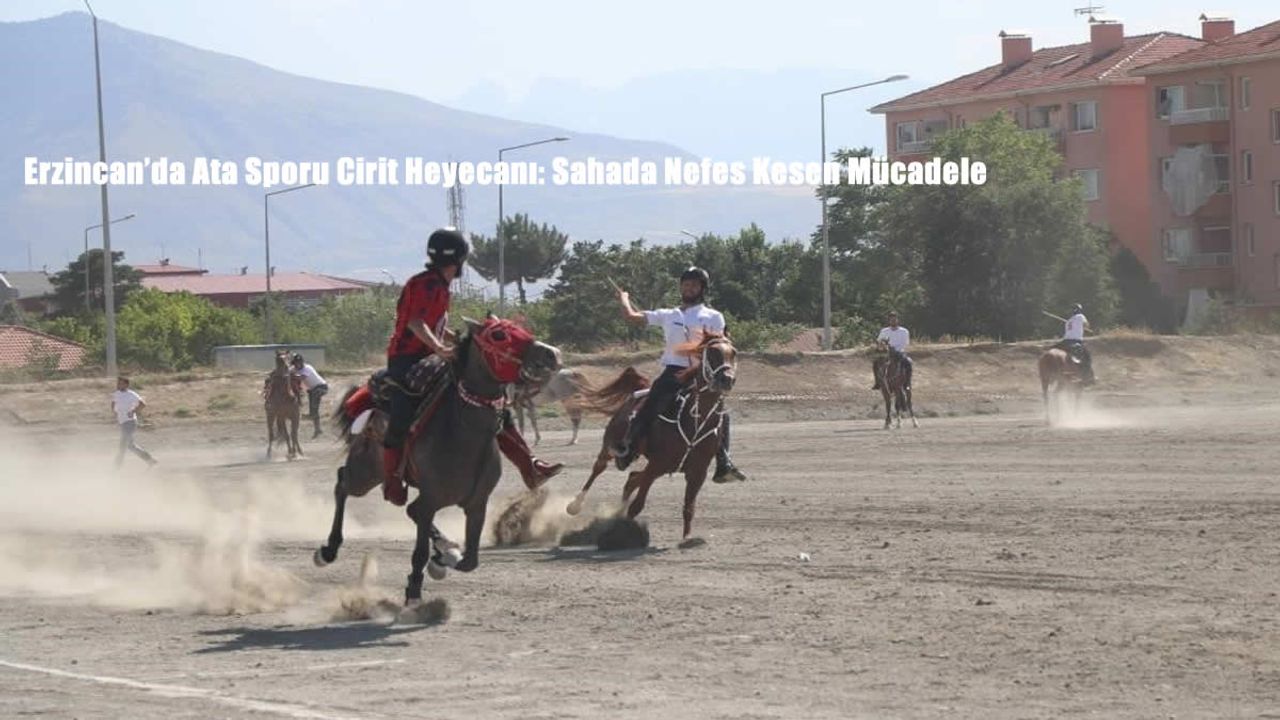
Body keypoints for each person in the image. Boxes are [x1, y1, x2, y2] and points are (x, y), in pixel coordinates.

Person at [381, 228, 562, 506]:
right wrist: (440, 348)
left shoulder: (438, 285)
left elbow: (435, 325)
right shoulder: (426, 285)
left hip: (435, 356)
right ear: (459, 259)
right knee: (401, 413)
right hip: (406, 360)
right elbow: (416, 323)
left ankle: (530, 465)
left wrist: (457, 340)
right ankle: (393, 478)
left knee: (489, 399)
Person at [614, 266, 747, 483]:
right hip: (673, 372)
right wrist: (624, 298)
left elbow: (721, 345)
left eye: (694, 285)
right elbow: (632, 317)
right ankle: (629, 446)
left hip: (702, 373)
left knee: (721, 413)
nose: (689, 288)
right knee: (651, 403)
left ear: (702, 288)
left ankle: (724, 463)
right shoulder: (668, 315)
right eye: (685, 284)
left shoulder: (714, 316)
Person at [111, 376, 156, 469]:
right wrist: (115, 413)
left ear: (126, 385)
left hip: (130, 422)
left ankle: (116, 467)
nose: (118, 385)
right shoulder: (116, 393)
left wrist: (133, 411)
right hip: (123, 423)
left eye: (120, 383)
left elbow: (143, 404)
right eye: (118, 383)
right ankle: (150, 460)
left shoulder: (131, 394)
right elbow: (113, 404)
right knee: (130, 446)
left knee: (123, 444)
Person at [1052, 303, 1095, 384]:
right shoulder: (1081, 316)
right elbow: (1087, 325)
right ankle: (1088, 378)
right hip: (1075, 341)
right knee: (1087, 358)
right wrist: (1085, 327)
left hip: (1065, 341)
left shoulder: (1069, 320)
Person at [872, 311, 913, 390]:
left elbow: (905, 344)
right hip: (887, 352)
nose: (893, 321)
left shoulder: (904, 331)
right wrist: (883, 347)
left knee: (908, 362)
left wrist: (895, 349)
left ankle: (907, 383)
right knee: (876, 363)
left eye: (894, 319)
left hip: (899, 352)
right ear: (889, 321)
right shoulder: (884, 331)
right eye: (891, 320)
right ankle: (877, 382)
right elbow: (879, 342)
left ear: (897, 320)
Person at [291, 353, 328, 438]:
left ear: (302, 362)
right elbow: (288, 371)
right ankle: (318, 429)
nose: (297, 364)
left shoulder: (307, 368)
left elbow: (301, 378)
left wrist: (291, 375)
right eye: (296, 363)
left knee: (314, 405)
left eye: (299, 362)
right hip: (312, 389)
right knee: (314, 409)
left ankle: (311, 415)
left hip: (321, 387)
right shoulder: (295, 369)